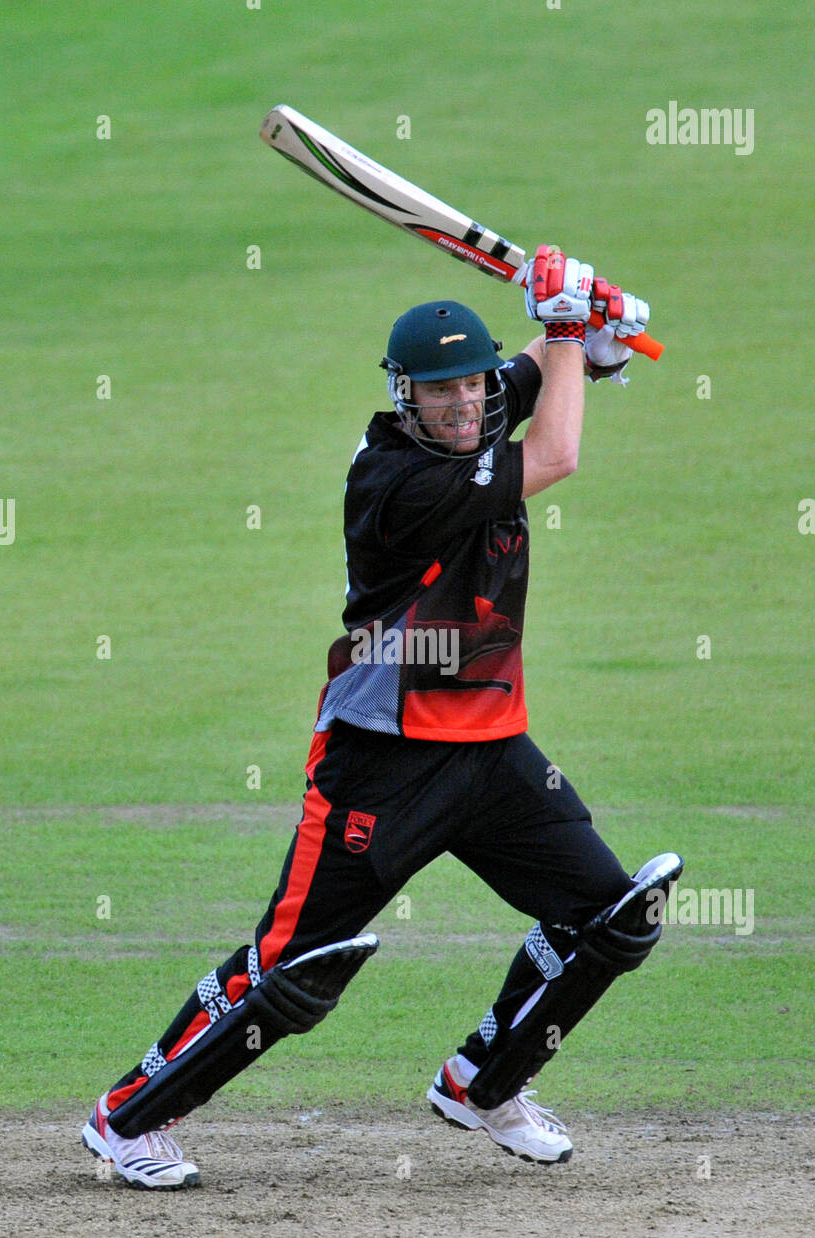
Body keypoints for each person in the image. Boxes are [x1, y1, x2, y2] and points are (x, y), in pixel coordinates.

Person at [82, 247, 682, 1189]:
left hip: (492, 750)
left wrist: (592, 338)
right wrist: (570, 329)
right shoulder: (396, 483)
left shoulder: (478, 411)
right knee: (293, 968)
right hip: (381, 759)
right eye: (435, 393)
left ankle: (482, 1082)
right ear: (404, 397)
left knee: (611, 915)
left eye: (473, 388)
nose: (459, 407)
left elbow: (536, 378)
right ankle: (128, 1118)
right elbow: (557, 451)